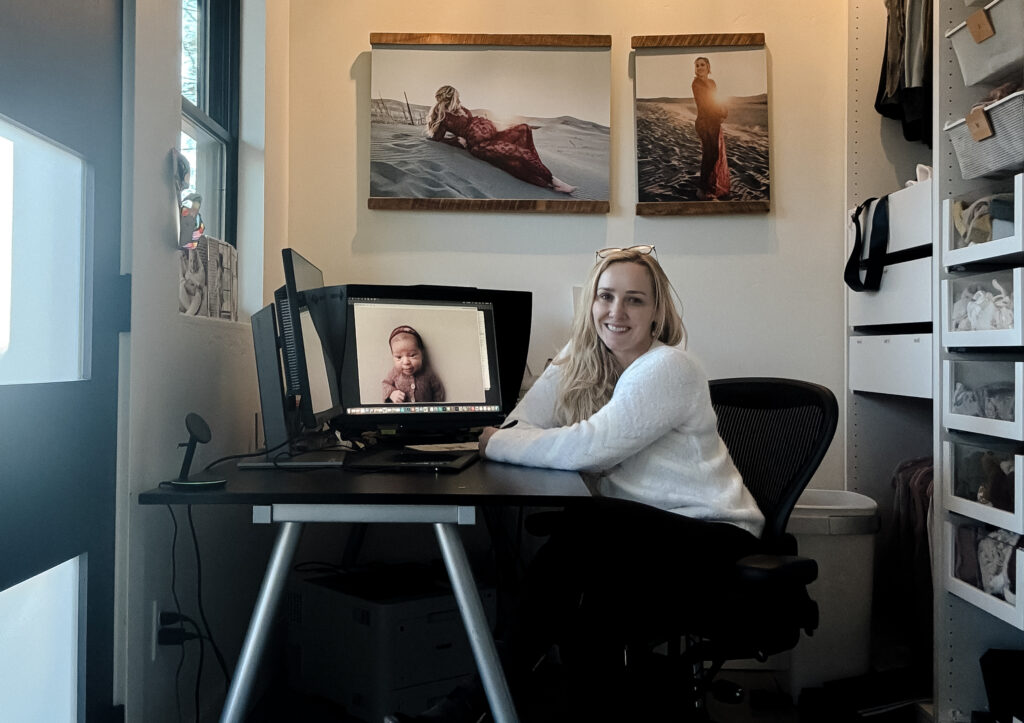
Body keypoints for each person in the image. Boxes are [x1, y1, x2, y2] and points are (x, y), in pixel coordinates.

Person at [386, 246, 764, 722]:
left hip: (711, 535)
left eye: (635, 300)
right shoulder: (591, 360)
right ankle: (485, 703)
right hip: (643, 533)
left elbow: (589, 447)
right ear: (590, 304)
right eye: (605, 297)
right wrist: (566, 364)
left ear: (656, 312)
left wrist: (493, 445)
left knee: (580, 535)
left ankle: (473, 705)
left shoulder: (668, 367)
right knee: (587, 607)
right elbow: (523, 422)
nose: (617, 312)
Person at [425, 84, 577, 194]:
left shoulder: (462, 109)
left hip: (494, 136)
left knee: (524, 128)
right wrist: (456, 141)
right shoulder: (443, 117)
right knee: (519, 154)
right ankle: (554, 181)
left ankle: (537, 168)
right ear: (451, 98)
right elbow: (436, 138)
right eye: (457, 97)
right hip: (481, 145)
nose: (460, 100)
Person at [691, 57, 731, 200]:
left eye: (702, 64)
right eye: (697, 65)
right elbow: (705, 105)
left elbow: (716, 99)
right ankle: (702, 189)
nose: (699, 67)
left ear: (708, 66)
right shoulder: (696, 84)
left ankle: (707, 184)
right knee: (710, 155)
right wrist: (719, 113)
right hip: (704, 123)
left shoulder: (712, 83)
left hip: (713, 122)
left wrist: (724, 111)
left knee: (713, 154)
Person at [382, 325, 445, 404]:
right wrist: (392, 393)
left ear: (421, 354)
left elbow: (438, 390)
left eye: (412, 355)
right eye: (399, 357)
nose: (406, 362)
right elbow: (385, 385)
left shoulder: (427, 373)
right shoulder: (394, 373)